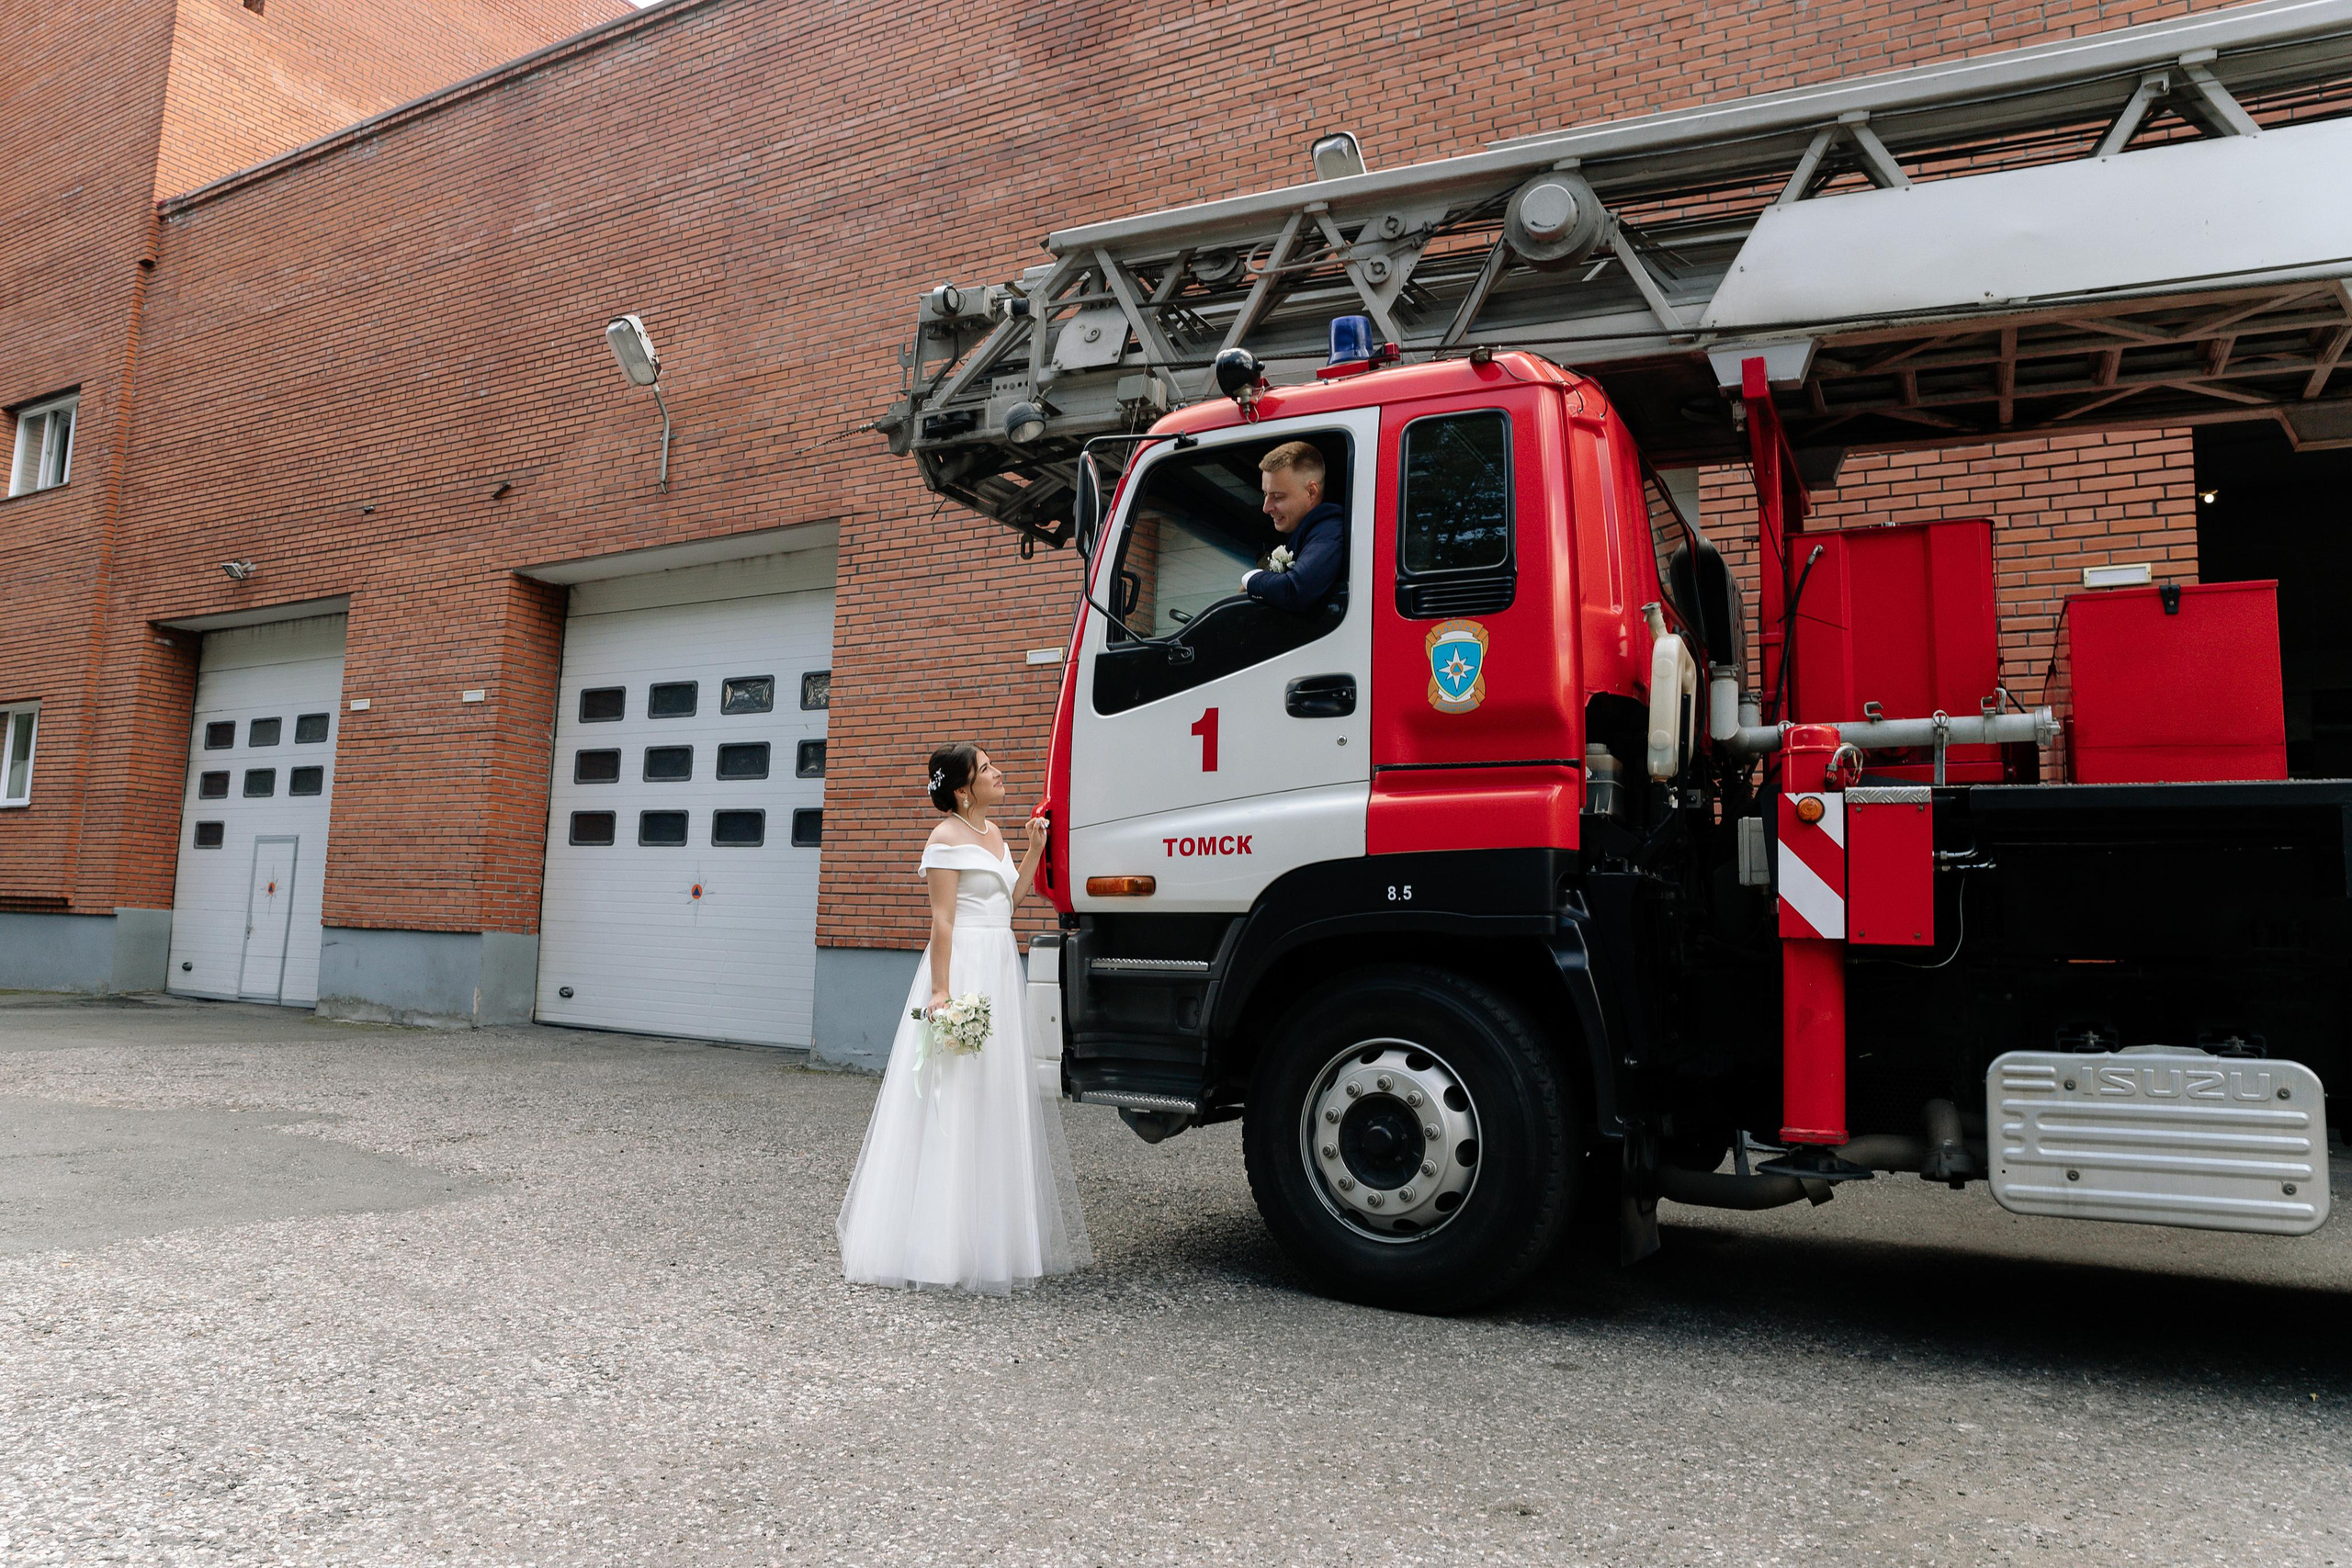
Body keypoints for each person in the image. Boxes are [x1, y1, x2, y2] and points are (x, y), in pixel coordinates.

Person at [836, 742, 1091, 1295]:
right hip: (964, 969)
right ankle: (937, 1246)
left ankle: (989, 1238)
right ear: (961, 789)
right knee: (951, 1095)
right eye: (986, 770)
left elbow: (1008, 904)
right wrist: (942, 992)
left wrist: (1030, 851)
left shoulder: (995, 833)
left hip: (999, 963)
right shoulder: (945, 839)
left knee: (992, 1096)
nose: (999, 773)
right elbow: (943, 922)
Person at [1240, 440, 1346, 611]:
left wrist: (1251, 579)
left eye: (1278, 496)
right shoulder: (1310, 529)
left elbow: (1295, 590)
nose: (1266, 508)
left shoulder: (1329, 531)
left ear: (1311, 492)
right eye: (1265, 494)